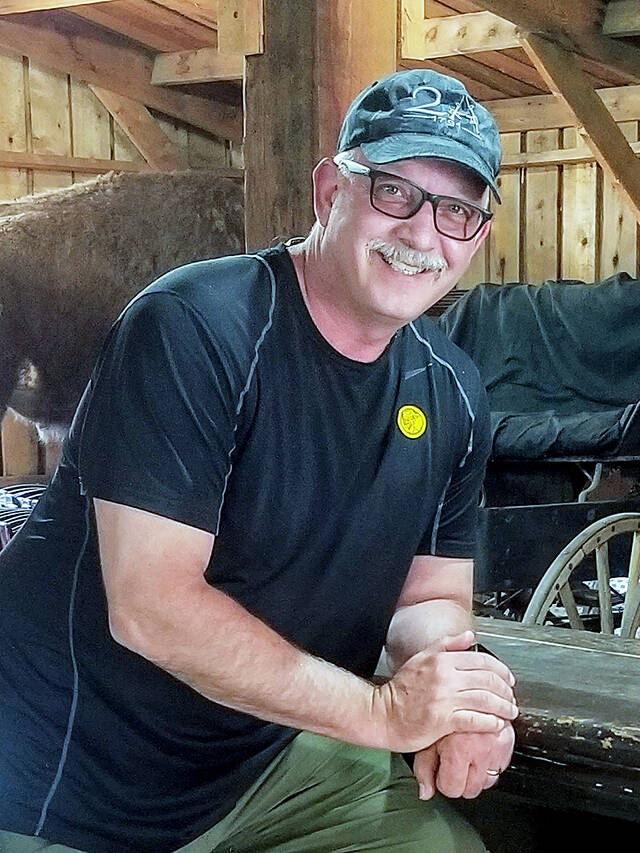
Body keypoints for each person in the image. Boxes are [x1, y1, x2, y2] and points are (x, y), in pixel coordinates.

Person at [0, 69, 517, 853]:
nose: (422, 234)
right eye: (394, 193)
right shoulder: (194, 327)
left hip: (254, 765)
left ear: (476, 235)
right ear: (329, 191)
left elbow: (430, 596)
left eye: (456, 211)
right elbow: (152, 608)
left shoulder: (453, 391)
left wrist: (459, 694)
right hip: (64, 779)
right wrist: (383, 713)